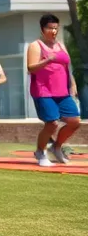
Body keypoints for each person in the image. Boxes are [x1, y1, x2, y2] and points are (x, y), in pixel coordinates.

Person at [27, 14, 81, 166]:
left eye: (56, 28)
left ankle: (56, 147)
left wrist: (73, 84)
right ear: (42, 29)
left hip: (62, 91)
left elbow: (67, 67)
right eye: (50, 28)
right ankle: (40, 152)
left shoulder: (61, 45)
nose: (54, 31)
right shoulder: (36, 45)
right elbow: (31, 68)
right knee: (52, 123)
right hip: (43, 91)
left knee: (74, 121)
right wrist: (47, 60)